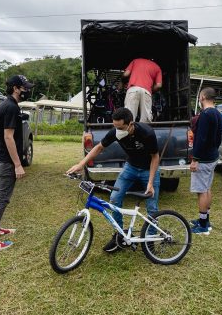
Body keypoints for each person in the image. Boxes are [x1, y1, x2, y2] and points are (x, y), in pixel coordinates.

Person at [66, 107, 160, 252]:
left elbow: (155, 157)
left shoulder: (146, 133)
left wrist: (150, 183)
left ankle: (151, 239)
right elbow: (98, 148)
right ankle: (119, 236)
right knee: (115, 198)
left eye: (121, 127)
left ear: (131, 124)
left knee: (152, 206)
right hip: (131, 167)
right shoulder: (115, 132)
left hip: (149, 169)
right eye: (115, 127)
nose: (118, 130)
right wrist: (81, 164)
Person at [0, 74, 34, 253]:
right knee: (1, 199)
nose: (27, 90)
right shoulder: (11, 107)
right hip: (6, 161)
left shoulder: (6, 104)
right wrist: (18, 164)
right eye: (24, 87)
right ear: (16, 88)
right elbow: (8, 137)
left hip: (0, 158)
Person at [190, 87, 222, 235]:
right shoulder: (217, 113)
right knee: (207, 188)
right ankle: (205, 220)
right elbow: (218, 138)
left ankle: (203, 225)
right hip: (212, 156)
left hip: (203, 159)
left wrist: (195, 159)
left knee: (201, 191)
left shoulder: (205, 114)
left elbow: (201, 138)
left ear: (202, 97)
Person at [122, 58, 162, 123]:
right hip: (146, 91)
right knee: (146, 119)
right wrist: (151, 91)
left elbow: (126, 74)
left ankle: (129, 132)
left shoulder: (136, 61)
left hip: (133, 89)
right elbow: (159, 85)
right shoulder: (157, 67)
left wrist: (122, 80)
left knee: (129, 117)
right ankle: (144, 132)